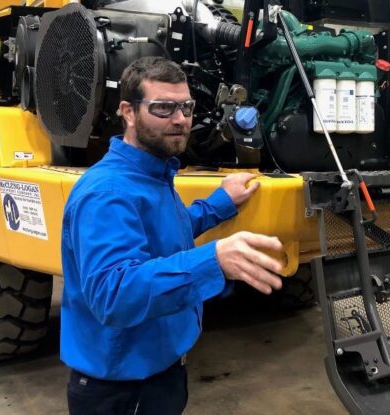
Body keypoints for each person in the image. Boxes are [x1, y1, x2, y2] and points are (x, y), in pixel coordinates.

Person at [60, 56, 284, 415]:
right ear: (128, 112)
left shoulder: (154, 174)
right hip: (121, 391)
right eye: (163, 108)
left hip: (161, 374)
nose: (180, 119)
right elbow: (112, 293)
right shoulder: (107, 193)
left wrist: (219, 204)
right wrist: (213, 260)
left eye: (186, 107)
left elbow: (168, 232)